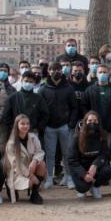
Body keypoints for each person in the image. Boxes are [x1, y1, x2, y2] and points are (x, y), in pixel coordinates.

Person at [38, 61, 79, 189]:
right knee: (50, 154)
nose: (55, 72)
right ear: (48, 72)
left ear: (62, 71)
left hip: (64, 127)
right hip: (49, 127)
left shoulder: (68, 88)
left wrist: (71, 123)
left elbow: (74, 107)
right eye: (52, 69)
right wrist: (43, 125)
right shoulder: (43, 89)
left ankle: (69, 177)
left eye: (58, 69)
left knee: (67, 153)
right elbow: (40, 109)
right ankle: (49, 177)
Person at [67, 112, 111, 199]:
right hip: (81, 167)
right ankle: (84, 187)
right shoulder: (77, 137)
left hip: (95, 166)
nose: (93, 123)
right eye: (90, 120)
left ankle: (95, 187)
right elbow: (72, 160)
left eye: (95, 120)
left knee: (108, 171)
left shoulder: (102, 135)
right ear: (85, 122)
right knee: (82, 188)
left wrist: (95, 165)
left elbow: (104, 154)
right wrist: (84, 174)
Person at [4, 114, 46, 204]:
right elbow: (14, 164)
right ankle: (10, 185)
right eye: (22, 124)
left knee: (42, 164)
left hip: (31, 167)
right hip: (17, 171)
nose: (25, 126)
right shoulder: (11, 143)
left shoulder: (33, 137)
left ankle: (34, 194)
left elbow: (40, 152)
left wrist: (35, 160)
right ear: (17, 125)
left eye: (27, 123)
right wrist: (29, 175)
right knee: (30, 182)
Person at [0, 71, 49, 139]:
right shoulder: (13, 97)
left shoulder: (38, 98)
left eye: (31, 82)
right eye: (26, 81)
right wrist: (14, 127)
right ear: (22, 81)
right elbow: (6, 115)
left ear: (34, 83)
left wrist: (38, 127)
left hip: (33, 132)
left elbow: (45, 114)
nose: (28, 83)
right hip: (16, 132)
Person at [82, 64, 111, 148]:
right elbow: (84, 105)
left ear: (109, 73)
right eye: (100, 72)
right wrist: (89, 120)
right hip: (94, 126)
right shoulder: (90, 90)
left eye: (104, 72)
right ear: (97, 74)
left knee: (107, 149)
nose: (102, 74)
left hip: (110, 126)